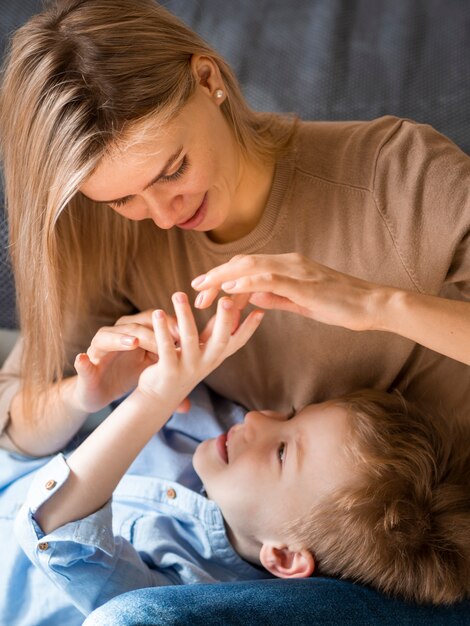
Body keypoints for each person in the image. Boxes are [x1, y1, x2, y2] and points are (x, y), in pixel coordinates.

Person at [0, 0, 468, 623]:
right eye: (122, 200)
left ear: (208, 80)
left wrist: (375, 304)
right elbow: (16, 426)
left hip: (409, 555)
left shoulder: (401, 179)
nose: (164, 215)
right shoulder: (106, 235)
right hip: (253, 549)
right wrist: (87, 395)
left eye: (174, 170)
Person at [14, 294, 470, 620]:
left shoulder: (188, 588)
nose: (259, 420)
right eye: (290, 414)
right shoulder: (221, 431)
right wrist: (114, 378)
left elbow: (55, 528)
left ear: (285, 557)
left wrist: (150, 399)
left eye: (282, 451)